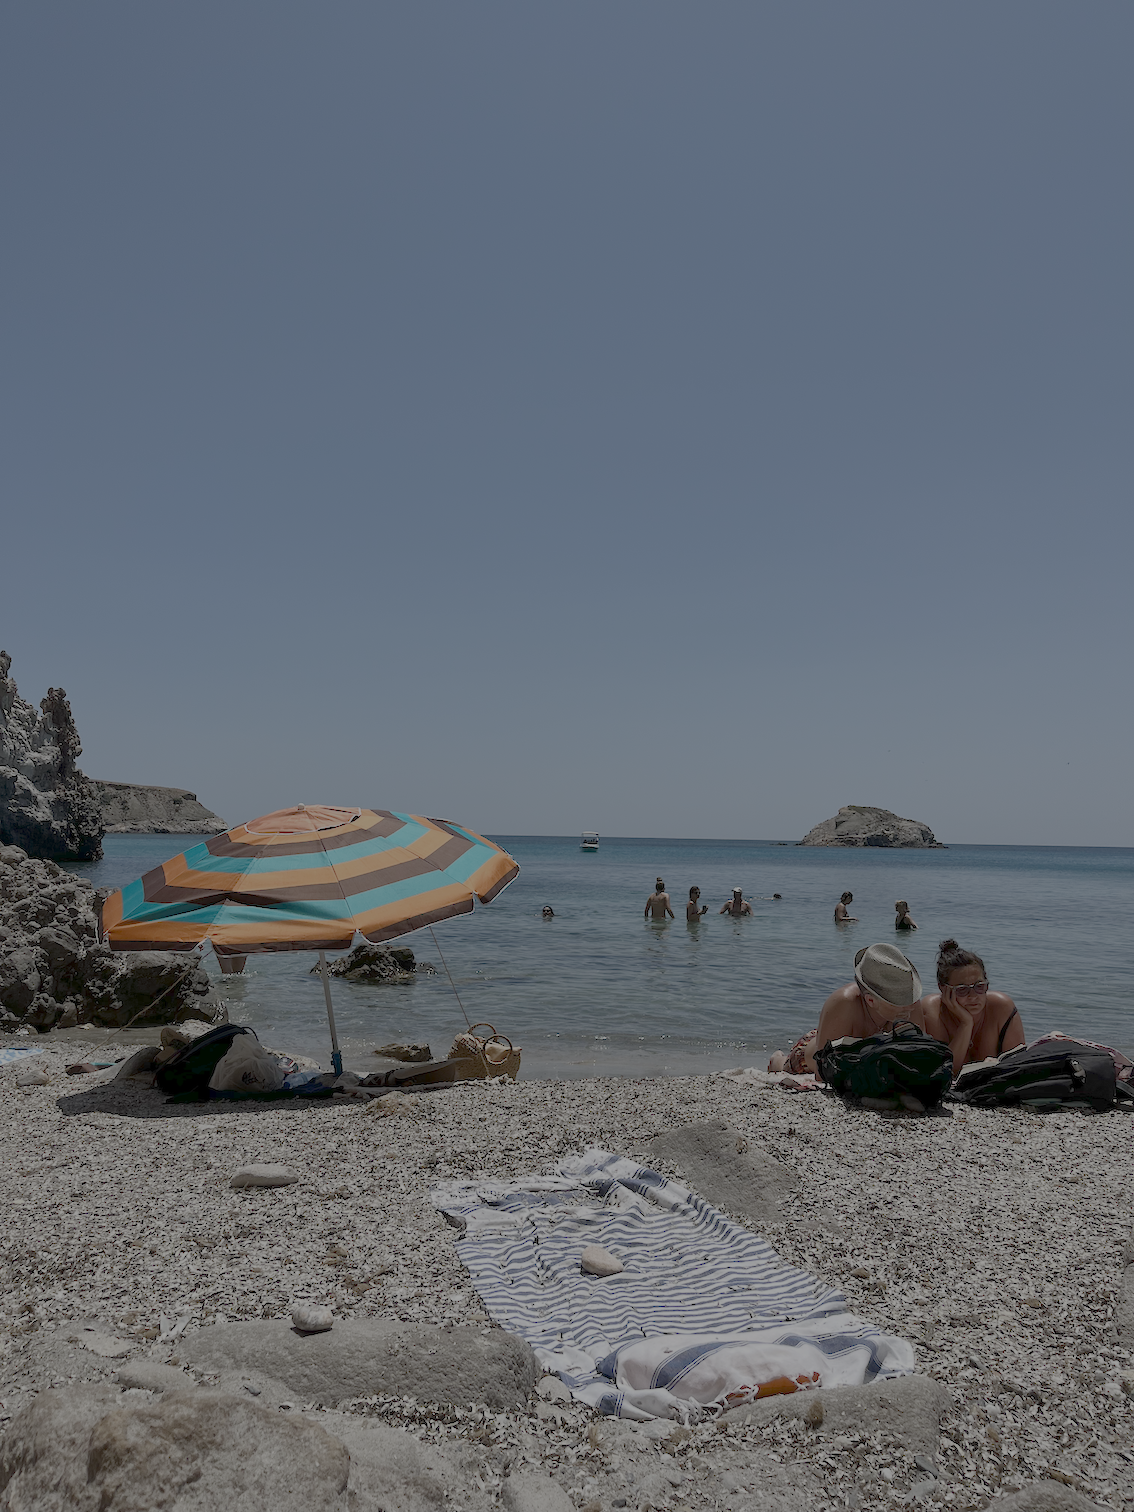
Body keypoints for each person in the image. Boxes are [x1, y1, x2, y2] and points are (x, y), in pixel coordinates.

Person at [769, 942, 968, 1078]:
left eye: (910, 998)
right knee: (785, 1065)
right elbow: (823, 1072)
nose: (909, 1007)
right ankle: (776, 1059)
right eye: (898, 1002)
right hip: (810, 1056)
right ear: (871, 1000)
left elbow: (917, 1054)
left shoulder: (910, 1004)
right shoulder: (844, 1003)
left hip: (855, 1051)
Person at [920, 938, 1025, 1068]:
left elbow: (1018, 1066)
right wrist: (966, 1023)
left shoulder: (1002, 1008)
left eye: (979, 986)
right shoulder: (933, 1011)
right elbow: (944, 1072)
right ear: (943, 988)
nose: (973, 996)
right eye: (962, 989)